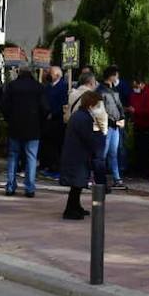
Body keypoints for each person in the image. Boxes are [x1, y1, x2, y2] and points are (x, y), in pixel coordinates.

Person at [60, 89, 106, 220]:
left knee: (78, 184)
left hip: (76, 154)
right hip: (78, 156)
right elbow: (89, 137)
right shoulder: (84, 118)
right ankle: (70, 209)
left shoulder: (80, 115)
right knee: (77, 184)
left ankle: (75, 206)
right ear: (91, 105)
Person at [3, 66, 48, 197]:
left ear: (19, 72)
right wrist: (40, 122)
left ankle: (10, 186)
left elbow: (4, 105)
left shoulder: (12, 86)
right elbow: (45, 108)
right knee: (31, 158)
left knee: (13, 157)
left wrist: (9, 119)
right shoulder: (39, 87)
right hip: (33, 128)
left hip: (15, 127)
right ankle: (29, 188)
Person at [97, 67, 128, 190]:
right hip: (107, 126)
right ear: (111, 76)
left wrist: (122, 117)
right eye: (116, 76)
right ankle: (99, 177)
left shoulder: (113, 90)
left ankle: (117, 178)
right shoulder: (101, 91)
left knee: (113, 153)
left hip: (115, 126)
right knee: (103, 154)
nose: (117, 78)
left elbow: (119, 105)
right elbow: (101, 109)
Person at [127, 74, 149, 180]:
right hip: (138, 124)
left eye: (136, 86)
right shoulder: (135, 94)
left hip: (147, 125)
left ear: (141, 84)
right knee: (138, 148)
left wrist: (136, 111)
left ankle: (147, 172)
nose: (134, 89)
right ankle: (140, 170)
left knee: (146, 149)